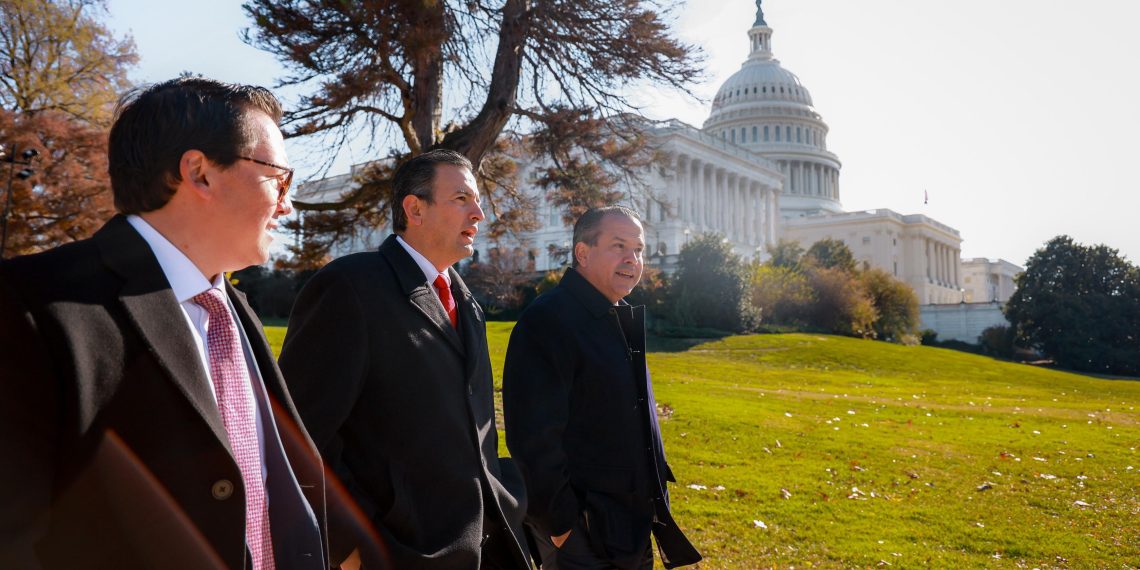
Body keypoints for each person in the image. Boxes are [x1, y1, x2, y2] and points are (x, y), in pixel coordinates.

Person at [0, 77, 327, 569]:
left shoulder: (235, 311)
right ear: (198, 172)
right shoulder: (30, 304)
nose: (287, 203)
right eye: (278, 177)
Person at [278, 149, 531, 569]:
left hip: (486, 545)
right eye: (461, 199)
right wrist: (348, 547)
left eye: (478, 201)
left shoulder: (466, 302)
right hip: (398, 552)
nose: (478, 214)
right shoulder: (349, 287)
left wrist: (510, 500)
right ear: (414, 208)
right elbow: (298, 432)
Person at [503, 206, 701, 570]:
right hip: (583, 537)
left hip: (632, 526)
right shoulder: (548, 320)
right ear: (583, 252)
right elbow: (533, 440)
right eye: (619, 245)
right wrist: (563, 528)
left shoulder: (618, 314)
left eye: (639, 249)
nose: (633, 259)